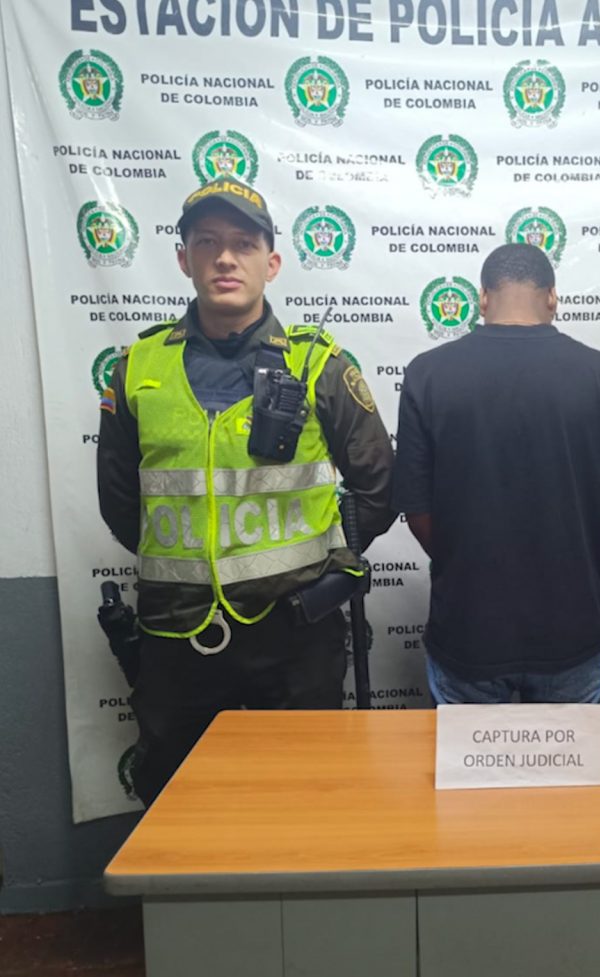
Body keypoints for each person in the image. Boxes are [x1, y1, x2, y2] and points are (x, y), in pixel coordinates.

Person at [97, 176, 395, 804]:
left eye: (243, 244)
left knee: (303, 802)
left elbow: (377, 486)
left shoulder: (319, 364)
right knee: (181, 809)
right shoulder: (136, 367)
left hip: (293, 637)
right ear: (183, 259)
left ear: (272, 263)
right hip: (176, 639)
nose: (224, 258)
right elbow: (122, 505)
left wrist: (325, 569)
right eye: (206, 242)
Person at [392, 243, 600, 704]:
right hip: (570, 631)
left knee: (472, 777)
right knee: (567, 778)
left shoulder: (427, 374)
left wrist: (466, 560)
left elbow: (417, 510)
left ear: (482, 298)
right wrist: (565, 553)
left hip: (467, 631)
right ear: (553, 297)